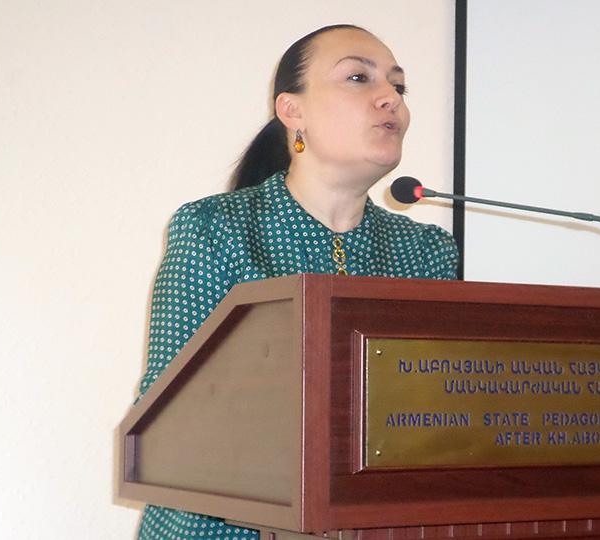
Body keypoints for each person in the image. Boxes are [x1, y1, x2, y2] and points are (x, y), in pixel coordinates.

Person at [135, 24, 458, 540]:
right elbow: (166, 420)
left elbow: (442, 421)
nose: (390, 99)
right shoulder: (216, 230)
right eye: (359, 78)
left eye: (398, 86)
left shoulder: (426, 253)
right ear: (292, 111)